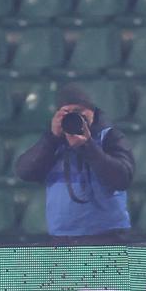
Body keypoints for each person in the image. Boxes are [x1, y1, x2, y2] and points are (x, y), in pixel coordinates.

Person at [15, 84, 134, 245]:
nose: (74, 118)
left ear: (92, 112)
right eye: (66, 113)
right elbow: (25, 172)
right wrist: (51, 138)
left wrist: (88, 147)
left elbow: (122, 179)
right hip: (62, 238)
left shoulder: (110, 137)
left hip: (107, 236)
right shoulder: (53, 143)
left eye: (79, 112)